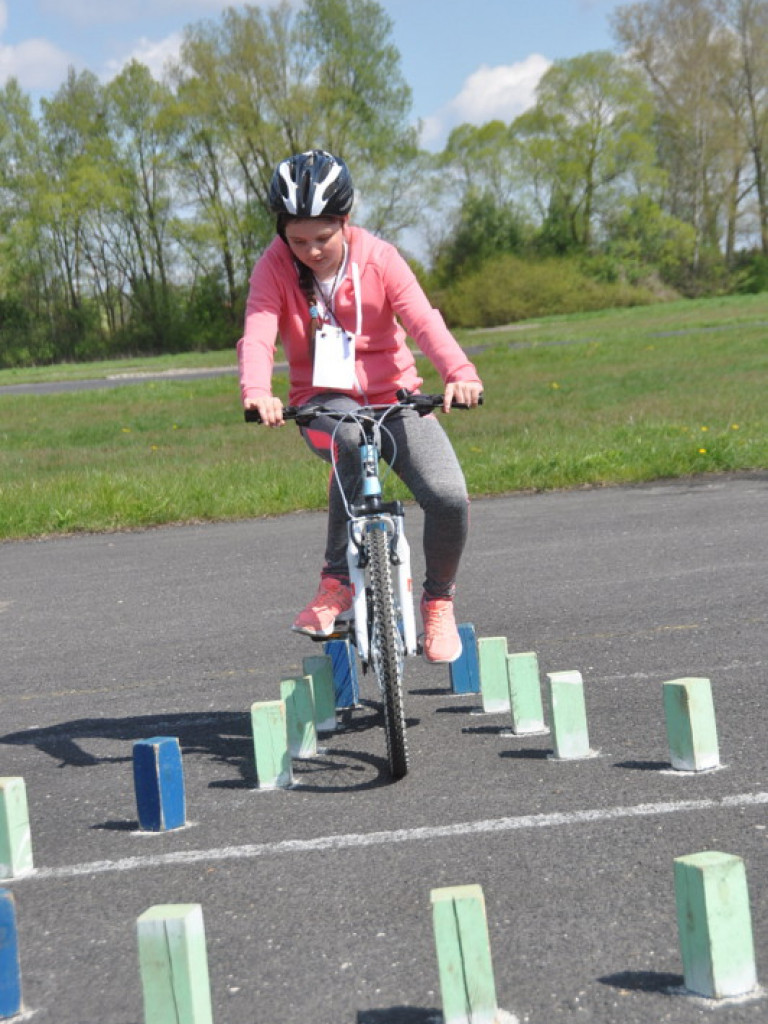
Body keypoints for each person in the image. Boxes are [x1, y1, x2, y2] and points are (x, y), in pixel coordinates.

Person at [237, 149, 483, 664]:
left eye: (322, 239)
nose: (309, 251)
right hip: (323, 403)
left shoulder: (379, 258)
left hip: (394, 399)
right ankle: (334, 585)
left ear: (344, 222)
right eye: (296, 239)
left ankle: (438, 601)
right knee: (348, 439)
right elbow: (258, 333)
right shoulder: (274, 267)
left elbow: (423, 321)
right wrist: (257, 391)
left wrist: (460, 374)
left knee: (448, 496)